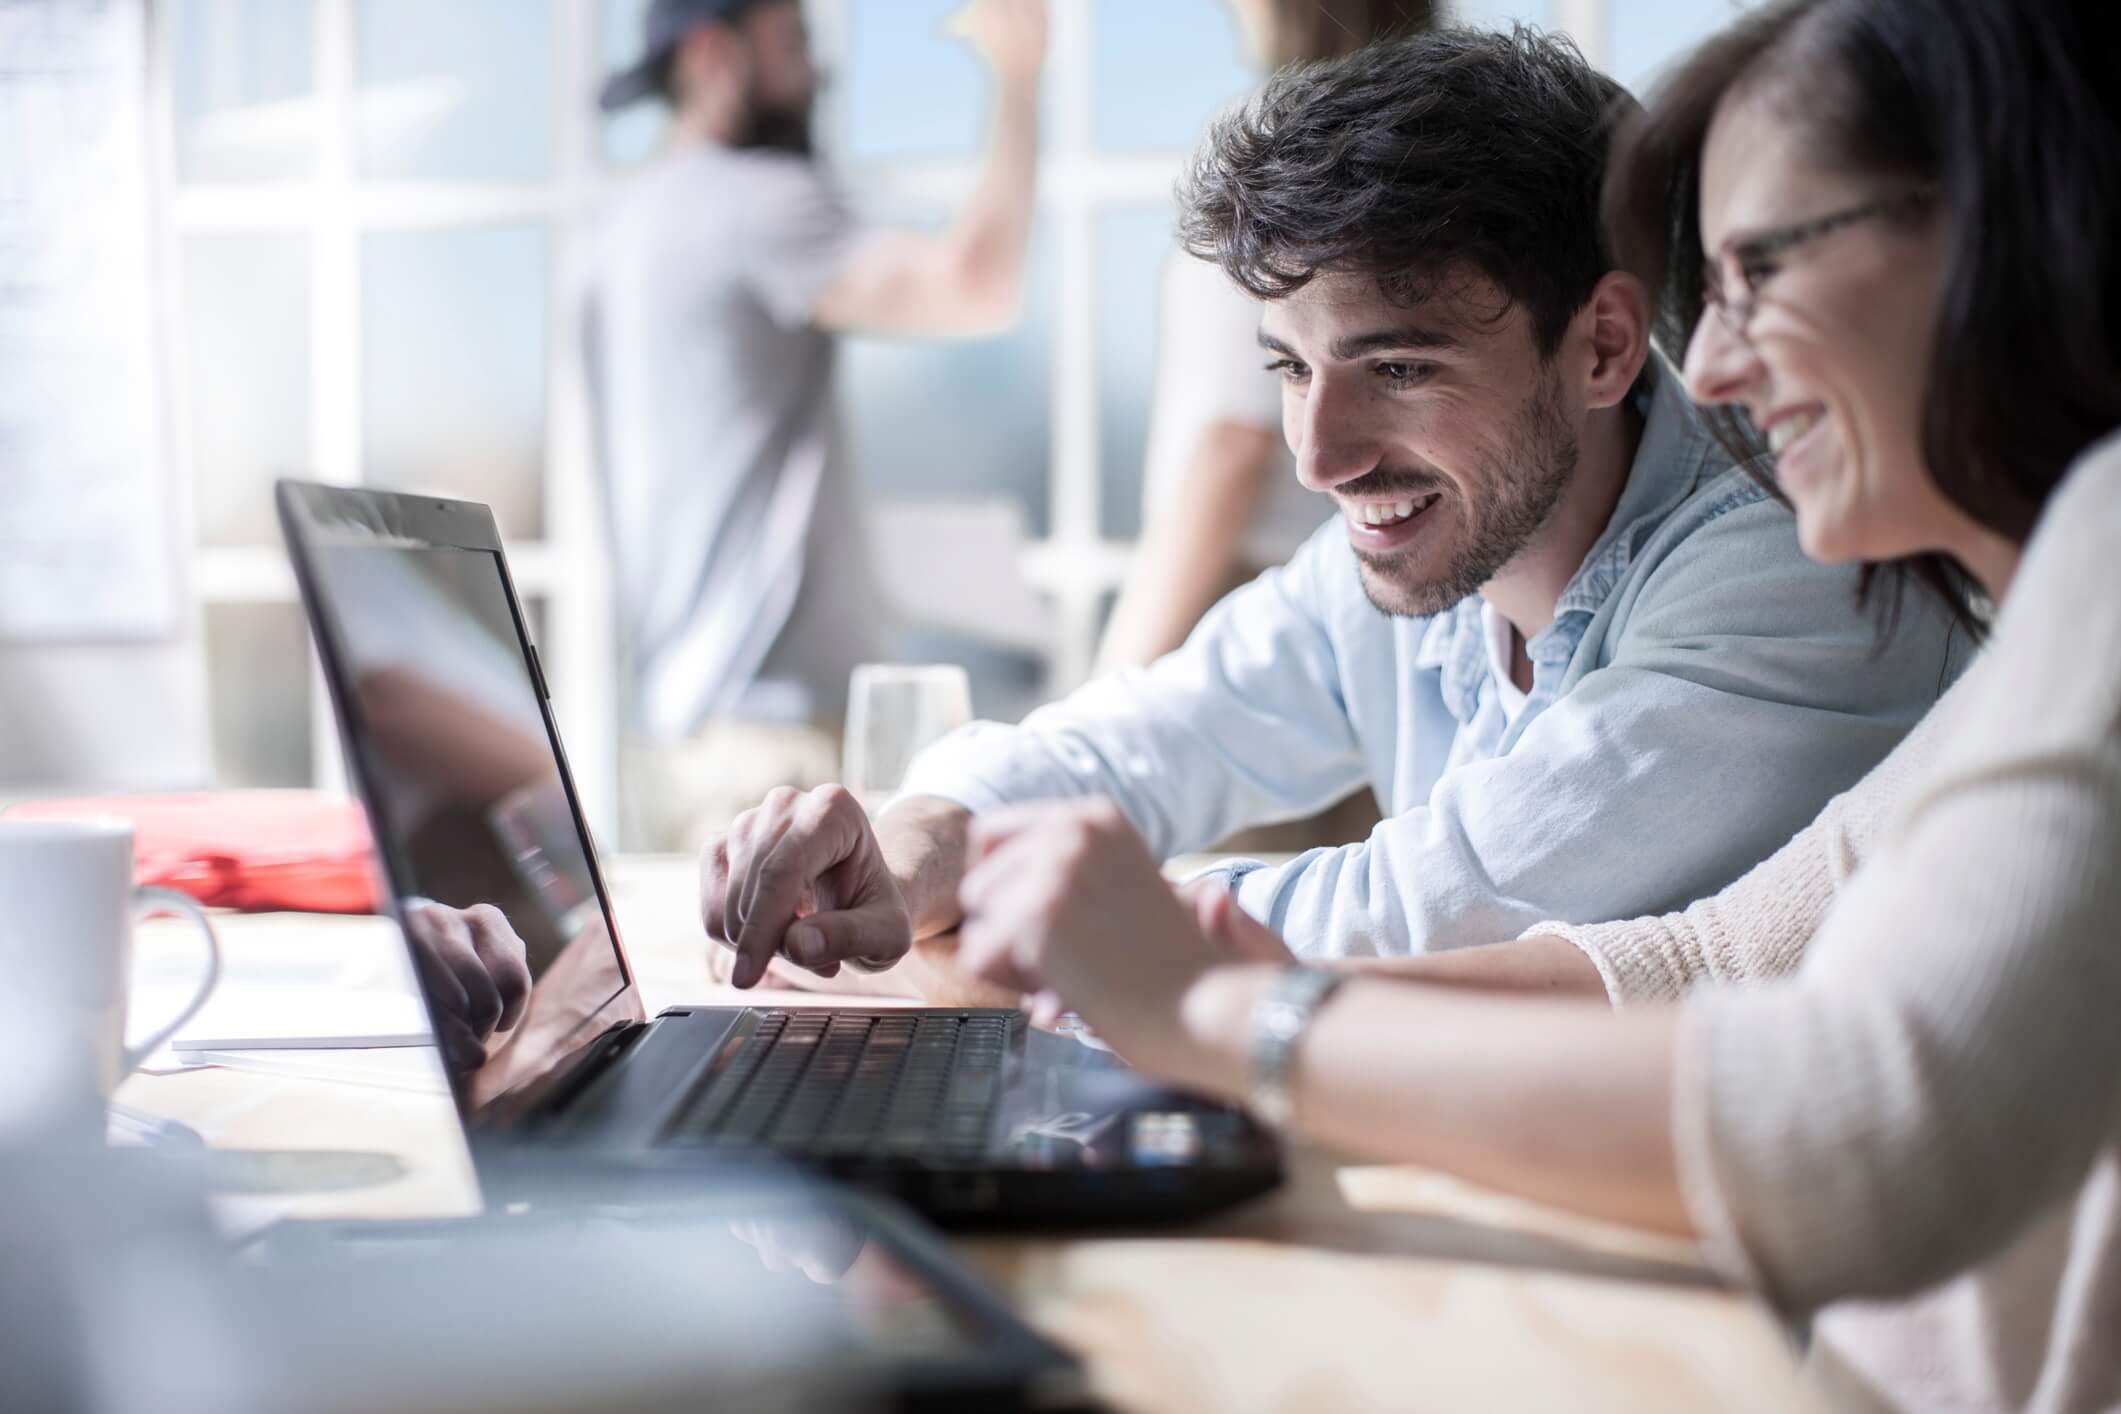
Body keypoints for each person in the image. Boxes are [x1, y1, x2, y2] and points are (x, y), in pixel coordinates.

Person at [949, 0, 2121, 1406]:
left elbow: (1853, 1132)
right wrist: (1174, 970)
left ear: (1995, 228)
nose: (1726, 366)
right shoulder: (2057, 597)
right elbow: (1706, 960)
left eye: (1763, 272)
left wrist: (1226, 1016)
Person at [698, 26, 1964, 997]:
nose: (1317, 456)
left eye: (1399, 370)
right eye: (1290, 369)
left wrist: (1041, 893)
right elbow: (1139, 742)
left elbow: (1422, 912)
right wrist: (924, 833)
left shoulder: (1794, 571)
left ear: (1602, 347)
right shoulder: (1424, 549)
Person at [589, 0, 1048, 852]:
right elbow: (977, 285)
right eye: (793, 41)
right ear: (712, 54)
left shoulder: (622, 227)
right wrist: (1018, 79)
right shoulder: (755, 204)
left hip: (674, 732)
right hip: (768, 743)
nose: (818, 70)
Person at [1096, 0, 1440, 675]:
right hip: (1368, 579)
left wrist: (1114, 678)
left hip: (1240, 591)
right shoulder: (1433, 142)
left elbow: (1232, 444)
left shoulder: (1279, 149)